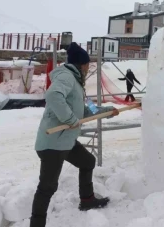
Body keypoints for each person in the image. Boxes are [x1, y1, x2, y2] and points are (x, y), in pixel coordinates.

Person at [30, 42, 119, 227]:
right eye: (87, 64)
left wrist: (108, 110)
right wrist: (70, 120)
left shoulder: (77, 83)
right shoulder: (67, 77)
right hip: (53, 144)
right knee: (47, 188)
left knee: (87, 162)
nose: (89, 67)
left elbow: (86, 109)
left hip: (65, 141)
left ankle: (87, 200)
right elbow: (53, 95)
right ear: (81, 64)